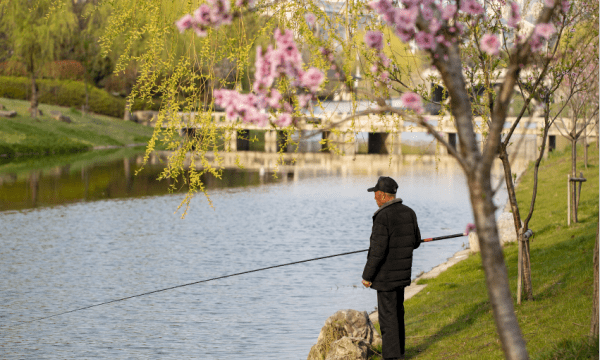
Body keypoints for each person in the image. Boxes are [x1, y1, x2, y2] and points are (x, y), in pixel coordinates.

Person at [362, 176, 421, 360]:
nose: (374, 198)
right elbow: (416, 241)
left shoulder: (382, 216)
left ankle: (392, 357)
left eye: (376, 194)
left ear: (383, 195)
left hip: (386, 277)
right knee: (397, 313)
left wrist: (367, 276)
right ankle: (399, 352)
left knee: (387, 318)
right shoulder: (409, 212)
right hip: (401, 274)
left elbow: (377, 251)